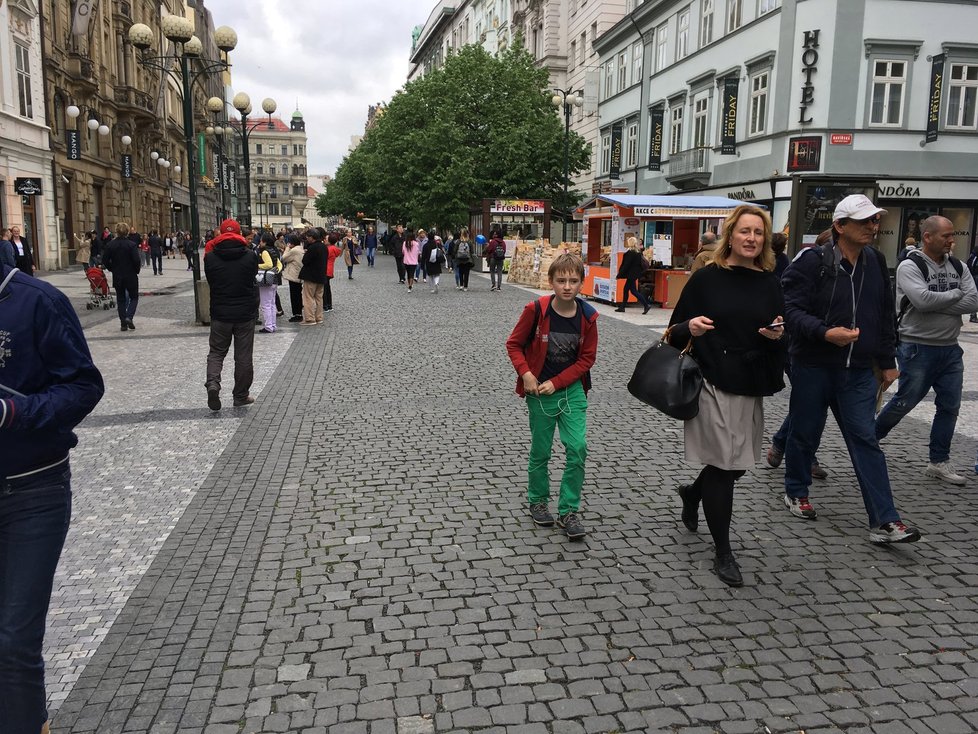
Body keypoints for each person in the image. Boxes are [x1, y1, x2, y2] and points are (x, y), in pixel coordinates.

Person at [0, 261, 105, 734]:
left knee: (13, 640)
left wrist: (13, 411)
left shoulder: (36, 301)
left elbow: (84, 386)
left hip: (30, 490)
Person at [781, 194, 921, 544]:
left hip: (858, 370)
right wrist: (825, 332)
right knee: (805, 432)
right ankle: (796, 490)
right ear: (840, 226)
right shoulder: (812, 261)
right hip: (814, 365)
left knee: (866, 439)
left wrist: (888, 362)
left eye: (875, 221)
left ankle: (885, 521)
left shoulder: (874, 260)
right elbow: (791, 310)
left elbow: (885, 315)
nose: (873, 227)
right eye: (864, 222)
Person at [668, 205, 786, 587]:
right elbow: (674, 330)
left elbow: (779, 327)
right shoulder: (707, 278)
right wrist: (692, 326)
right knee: (723, 466)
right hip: (712, 381)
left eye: (758, 233)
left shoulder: (770, 281)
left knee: (735, 466)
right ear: (730, 235)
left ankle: (692, 493)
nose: (751, 238)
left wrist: (777, 333)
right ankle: (723, 552)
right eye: (744, 231)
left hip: (750, 381)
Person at [875, 215, 977, 484]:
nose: (952, 240)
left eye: (953, 234)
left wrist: (937, 301)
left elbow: (974, 300)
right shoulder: (911, 265)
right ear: (928, 237)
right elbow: (921, 301)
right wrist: (955, 295)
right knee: (904, 403)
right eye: (946, 235)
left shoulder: (958, 265)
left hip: (950, 349)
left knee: (950, 406)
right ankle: (868, 441)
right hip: (917, 347)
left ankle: (938, 461)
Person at [505, 253, 598, 542]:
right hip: (539, 391)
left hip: (571, 391)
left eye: (573, 281)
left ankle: (569, 509)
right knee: (541, 451)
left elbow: (586, 359)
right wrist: (527, 375)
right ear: (551, 282)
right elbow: (514, 344)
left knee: (578, 447)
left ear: (582, 283)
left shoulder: (588, 317)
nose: (567, 286)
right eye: (561, 281)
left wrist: (558, 382)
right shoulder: (536, 309)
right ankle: (538, 500)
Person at [767, 227, 833, 481]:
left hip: (827, 350)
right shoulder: (801, 267)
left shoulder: (784, 262)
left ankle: (783, 443)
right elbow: (789, 306)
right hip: (801, 346)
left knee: (812, 405)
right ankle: (802, 457)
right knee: (810, 405)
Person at [203, 219, 259, 410]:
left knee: (217, 353)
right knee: (243, 356)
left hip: (220, 312)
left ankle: (213, 383)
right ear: (239, 234)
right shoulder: (250, 256)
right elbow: (252, 279)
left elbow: (212, 281)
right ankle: (240, 395)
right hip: (244, 313)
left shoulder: (210, 258)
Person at [101, 222, 141, 331]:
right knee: (134, 297)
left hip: (118, 275)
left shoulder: (110, 245)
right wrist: (136, 270)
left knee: (121, 299)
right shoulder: (131, 245)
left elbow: (104, 260)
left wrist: (112, 268)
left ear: (117, 232)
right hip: (131, 274)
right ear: (127, 232)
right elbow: (136, 260)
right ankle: (129, 316)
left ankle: (123, 323)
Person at [615, 236, 652, 314]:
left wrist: (619, 275)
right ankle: (623, 307)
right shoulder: (638, 252)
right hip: (634, 275)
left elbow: (626, 265)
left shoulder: (630, 253)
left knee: (630, 290)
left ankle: (646, 305)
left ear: (630, 243)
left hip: (631, 275)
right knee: (632, 290)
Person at [298, 228, 327, 324]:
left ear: (312, 237)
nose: (307, 238)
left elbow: (305, 261)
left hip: (311, 276)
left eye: (308, 236)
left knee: (308, 297)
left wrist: (306, 254)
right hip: (321, 276)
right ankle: (319, 317)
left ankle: (309, 318)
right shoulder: (324, 247)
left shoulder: (312, 247)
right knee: (319, 298)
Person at [256, 232, 283, 333]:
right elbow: (279, 265)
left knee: (265, 304)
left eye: (261, 240)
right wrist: (275, 271)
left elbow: (268, 264)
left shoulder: (265, 252)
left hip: (266, 280)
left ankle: (268, 326)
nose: (260, 242)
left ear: (264, 242)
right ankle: (273, 325)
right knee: (272, 303)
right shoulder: (274, 251)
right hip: (274, 280)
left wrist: (258, 265)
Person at [281, 233, 305, 322]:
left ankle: (297, 314)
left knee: (294, 296)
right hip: (298, 275)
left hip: (294, 275)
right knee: (298, 295)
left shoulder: (294, 250)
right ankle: (298, 313)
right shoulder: (301, 248)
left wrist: (287, 248)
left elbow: (283, 258)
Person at [323, 232, 343, 312]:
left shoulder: (329, 249)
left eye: (326, 239)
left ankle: (325, 305)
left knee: (324, 288)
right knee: (327, 287)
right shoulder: (334, 248)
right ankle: (329, 305)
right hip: (330, 269)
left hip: (325, 269)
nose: (324, 240)